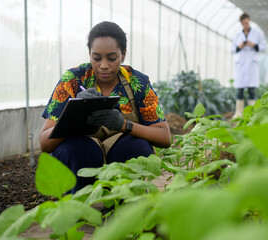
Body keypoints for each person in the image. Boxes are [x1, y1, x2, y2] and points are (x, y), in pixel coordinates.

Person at [39, 21, 171, 193]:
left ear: (123, 55)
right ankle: (77, 203)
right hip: (84, 157)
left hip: (121, 151)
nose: (103, 65)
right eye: (96, 58)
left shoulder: (137, 82)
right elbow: (45, 143)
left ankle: (124, 202)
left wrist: (124, 125)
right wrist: (74, 114)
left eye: (112, 58)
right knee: (71, 149)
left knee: (137, 147)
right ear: (89, 54)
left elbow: (164, 137)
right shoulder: (73, 79)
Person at [231, 13, 266, 118]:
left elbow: (263, 48)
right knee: (239, 90)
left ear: (249, 21)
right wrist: (239, 46)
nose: (245, 25)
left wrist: (253, 45)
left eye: (246, 23)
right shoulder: (237, 35)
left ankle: (252, 113)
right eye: (243, 24)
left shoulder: (257, 34)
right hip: (241, 65)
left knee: (251, 89)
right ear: (241, 23)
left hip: (251, 65)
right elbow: (232, 50)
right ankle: (238, 113)